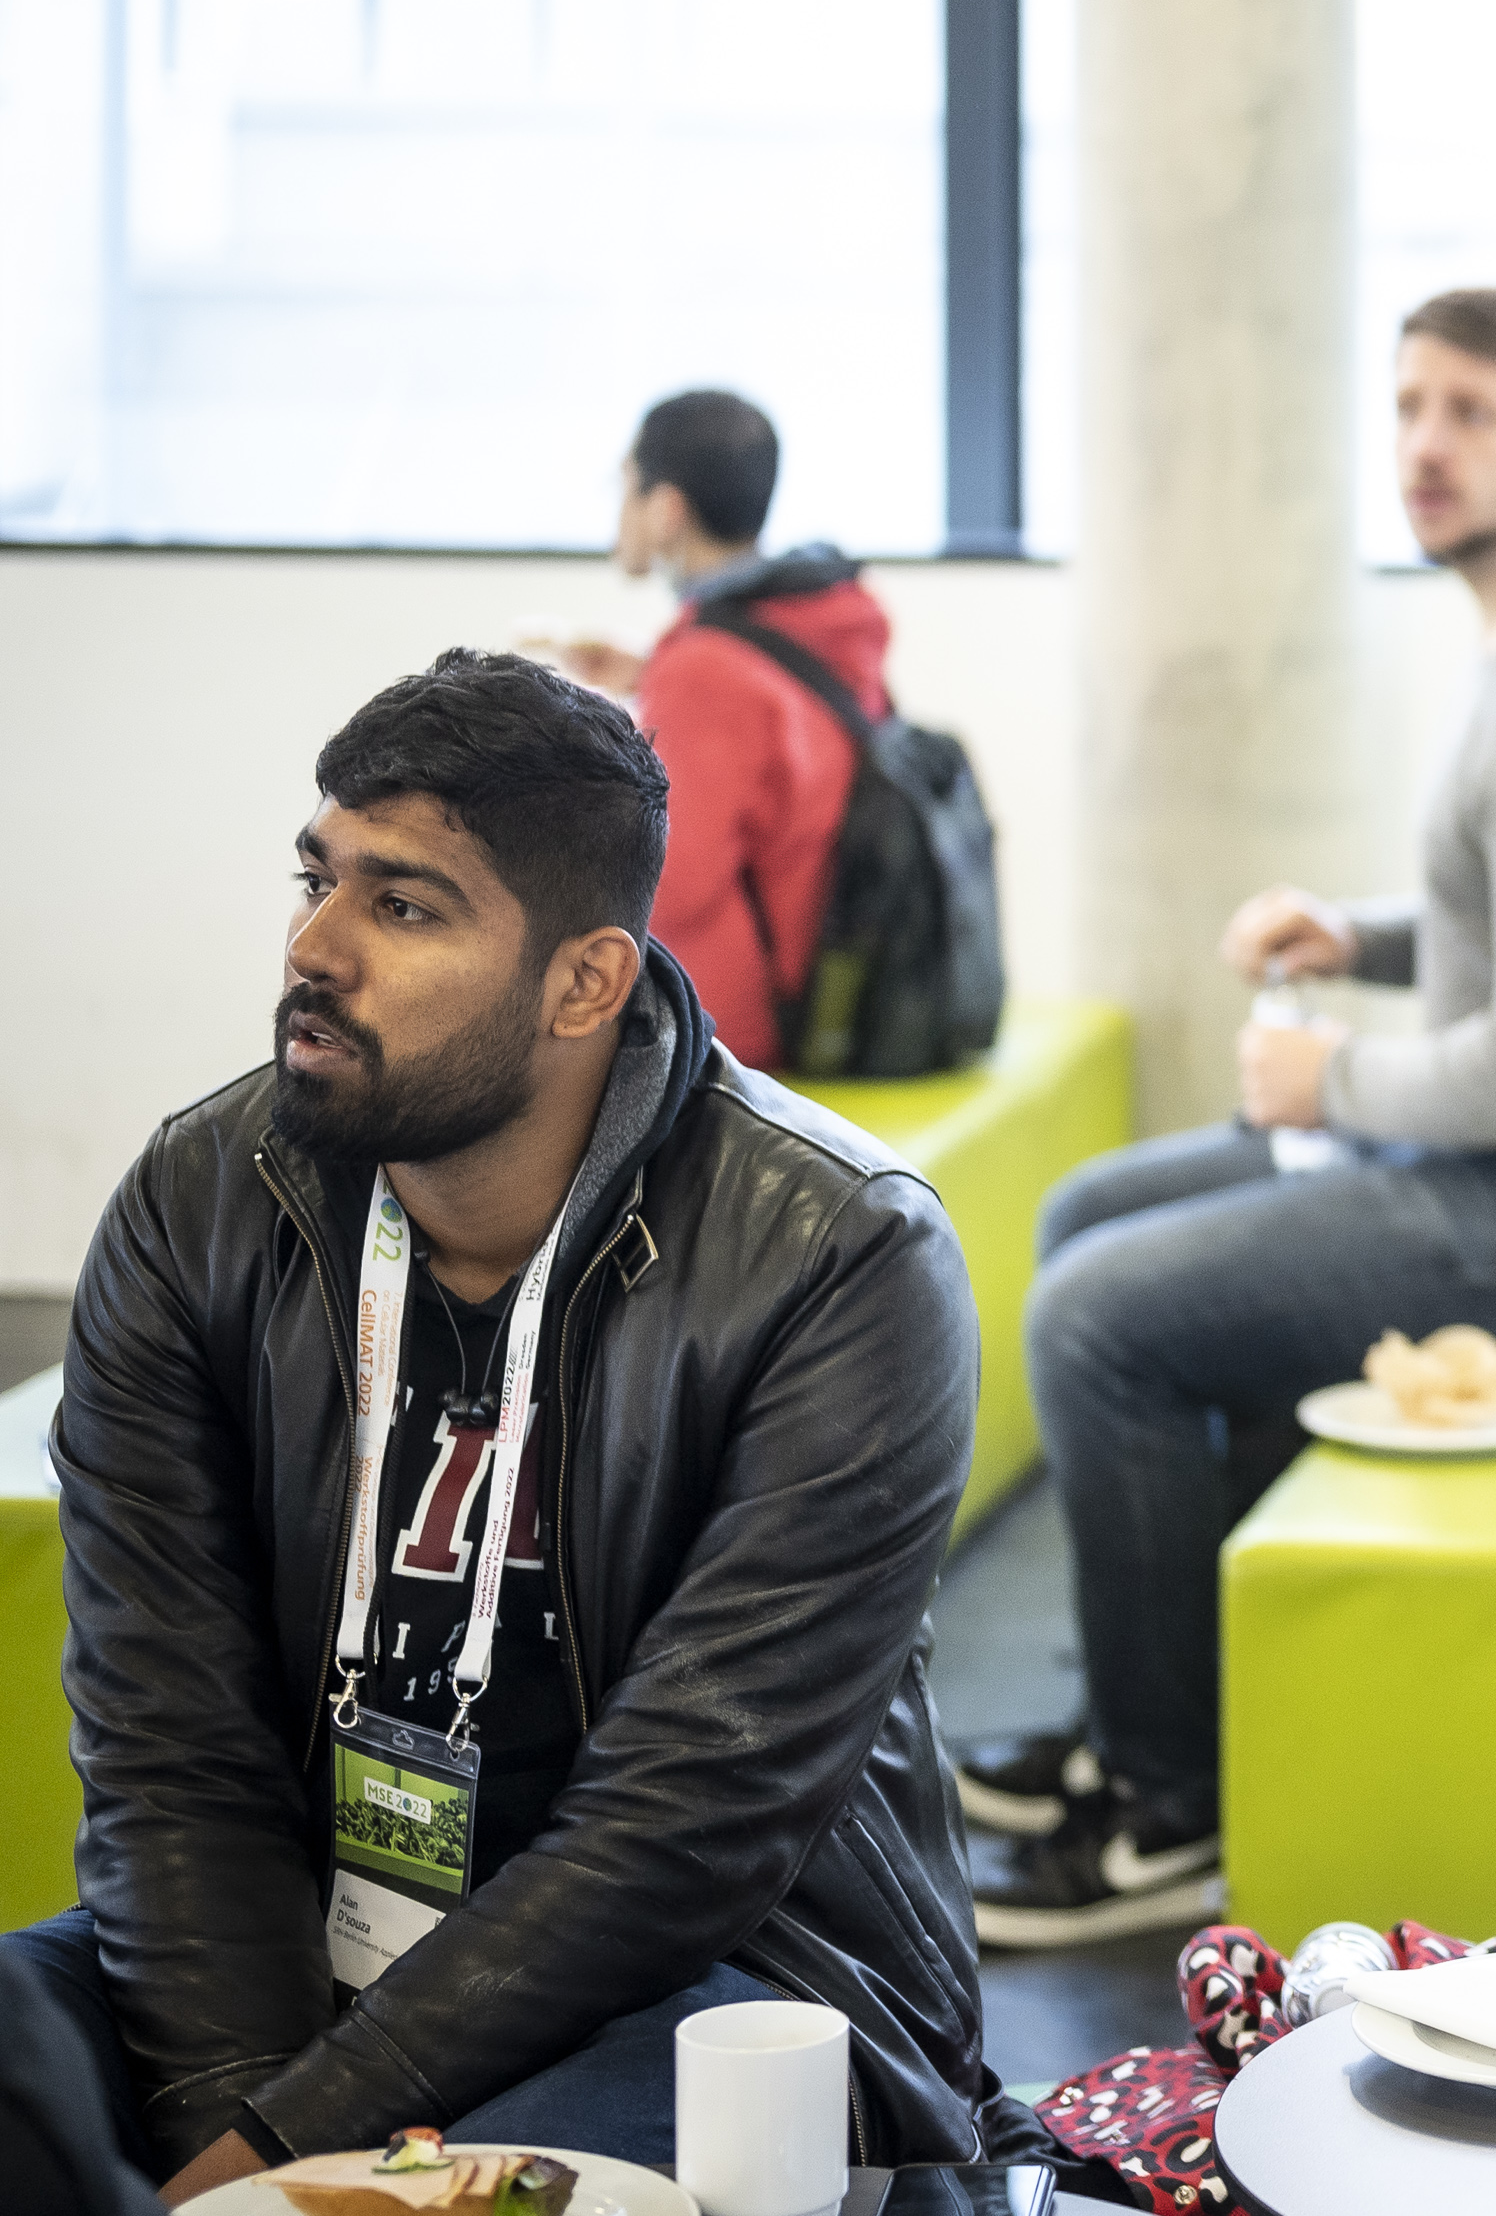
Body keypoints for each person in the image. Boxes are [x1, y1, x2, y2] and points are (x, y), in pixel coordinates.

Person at [4, 652, 1022, 2194]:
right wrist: (245, 2119)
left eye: (405, 906)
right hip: (306, 1935)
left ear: (584, 982)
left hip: (710, 1983)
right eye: (319, 876)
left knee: (492, 2189)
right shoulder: (199, 1204)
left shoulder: (839, 1258)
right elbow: (172, 1742)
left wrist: (288, 2149)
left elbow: (682, 1829)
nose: (314, 948)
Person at [962, 288, 1496, 1943]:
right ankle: (1157, 1720)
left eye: (1471, 412)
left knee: (1099, 1318)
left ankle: (1170, 1812)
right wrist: (1370, 936)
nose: (1425, 443)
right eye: (1408, 406)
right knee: (1084, 1222)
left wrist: (1324, 1077)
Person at [557, 389, 896, 1071]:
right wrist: (655, 673)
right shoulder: (820, 619)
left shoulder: (705, 672)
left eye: (625, 486)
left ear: (667, 509)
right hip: (852, 983)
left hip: (758, 1038)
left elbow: (671, 891)